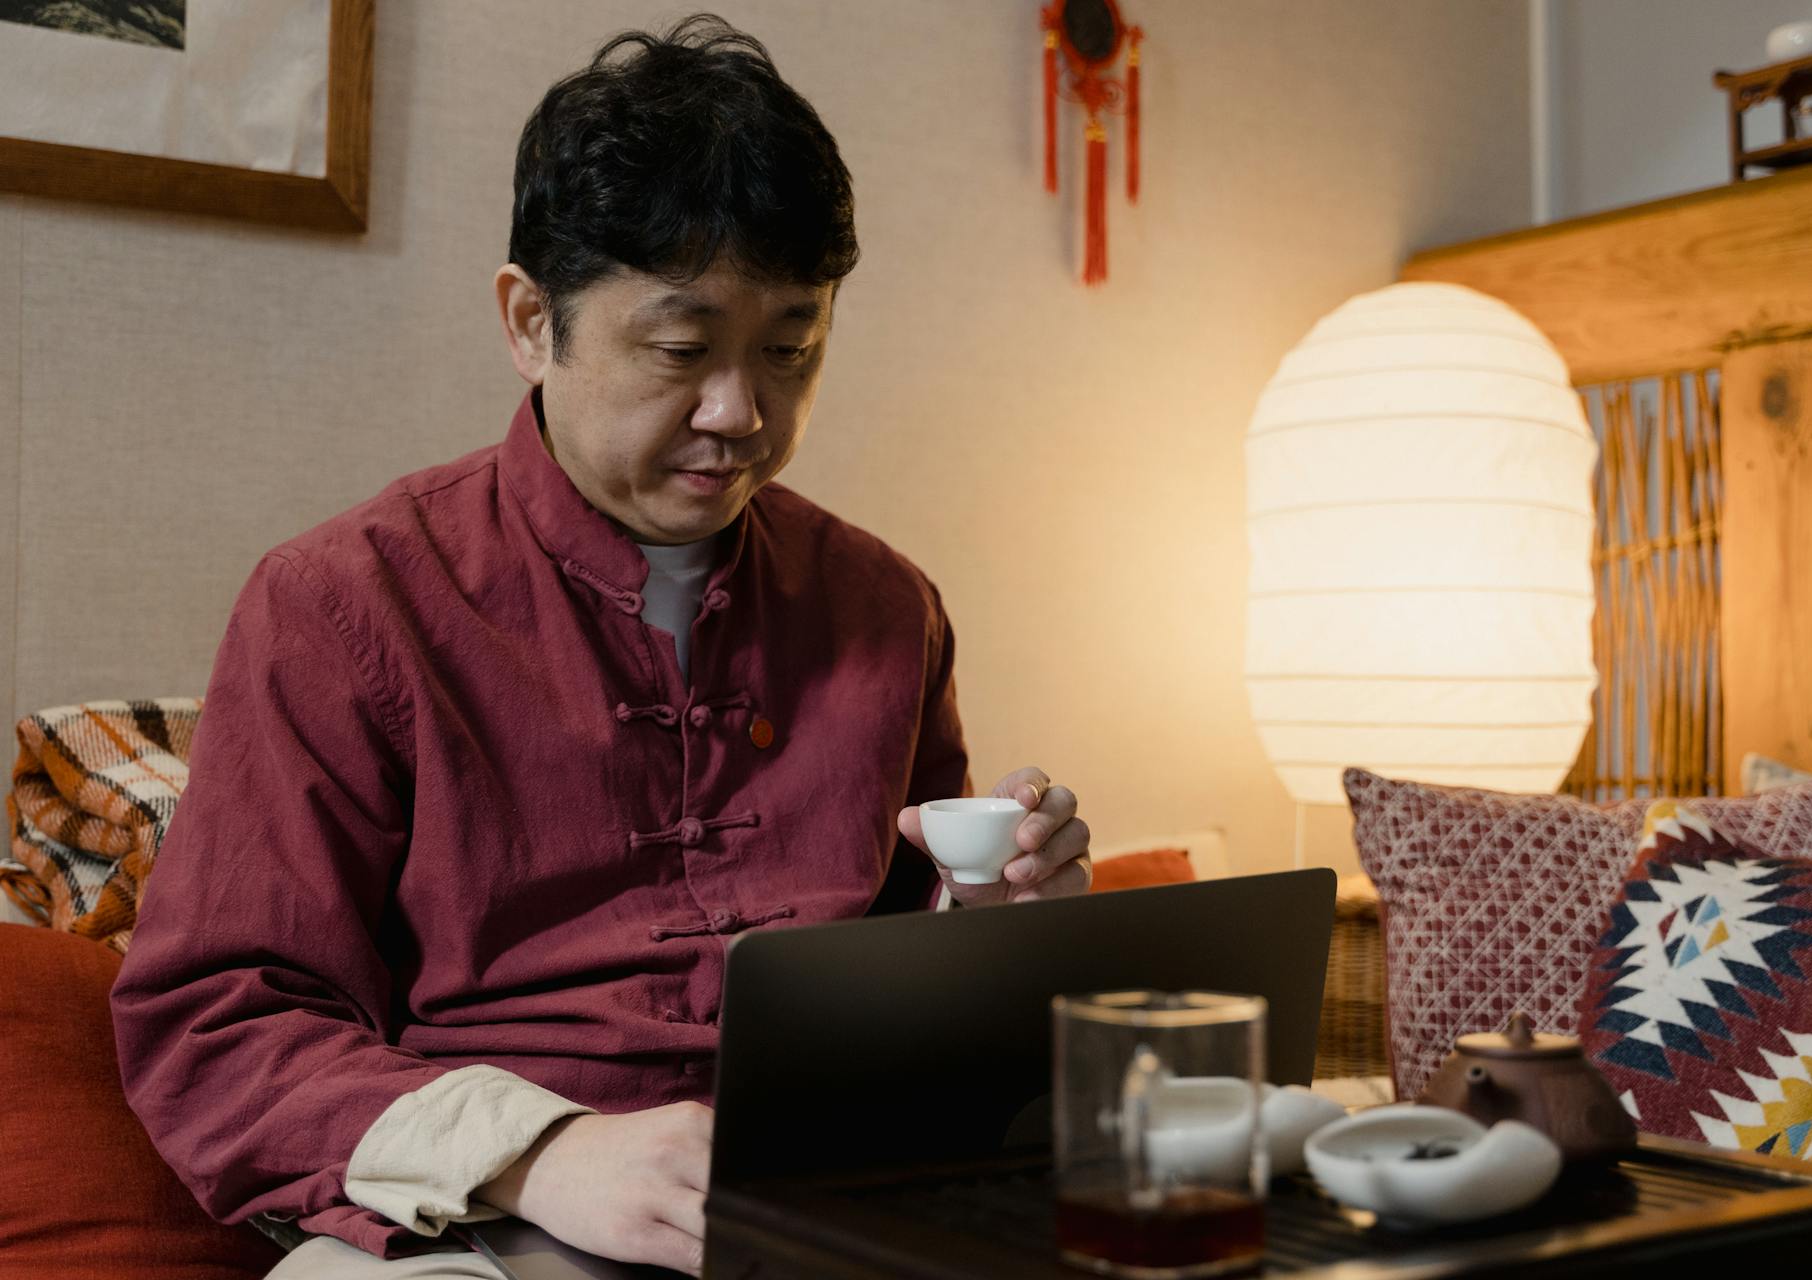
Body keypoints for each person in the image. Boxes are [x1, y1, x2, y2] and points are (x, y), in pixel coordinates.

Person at [108, 17, 1091, 1278]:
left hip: (828, 1200)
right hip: (470, 1221)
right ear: (531, 320)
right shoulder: (344, 604)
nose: (741, 413)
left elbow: (910, 991)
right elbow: (215, 1022)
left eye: (790, 349)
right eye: (682, 349)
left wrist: (1002, 925)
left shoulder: (885, 605)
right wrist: (544, 1152)